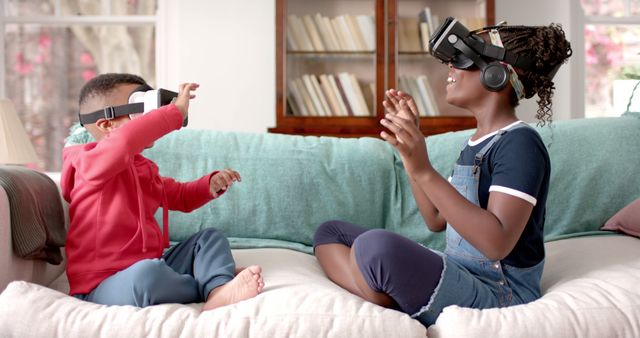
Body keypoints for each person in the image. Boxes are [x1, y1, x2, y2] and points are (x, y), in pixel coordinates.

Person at [313, 21, 572, 326]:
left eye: (462, 59)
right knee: (330, 233)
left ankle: (386, 293)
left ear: (497, 74)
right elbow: (435, 218)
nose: (451, 66)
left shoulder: (520, 143)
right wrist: (409, 155)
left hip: (499, 291)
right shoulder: (475, 143)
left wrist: (424, 169)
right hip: (458, 269)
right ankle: (385, 292)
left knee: (375, 247)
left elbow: (496, 243)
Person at [61, 73, 264, 310]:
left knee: (208, 239)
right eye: (141, 112)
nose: (150, 119)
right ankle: (208, 280)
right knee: (148, 276)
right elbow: (124, 142)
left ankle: (218, 289)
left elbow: (178, 196)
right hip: (101, 285)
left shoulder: (142, 169)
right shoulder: (86, 164)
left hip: (152, 263)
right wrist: (173, 114)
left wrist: (209, 185)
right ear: (107, 125)